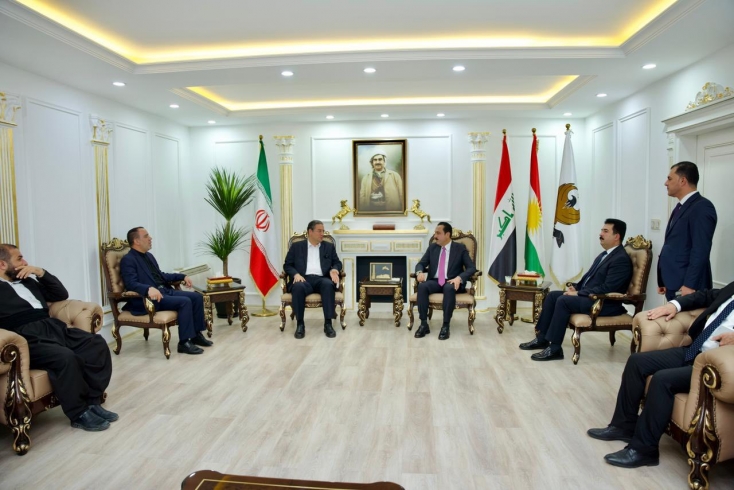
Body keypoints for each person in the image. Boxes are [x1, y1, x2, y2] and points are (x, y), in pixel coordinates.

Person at [588, 281, 734, 468]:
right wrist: (674, 305)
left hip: (715, 366)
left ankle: (644, 450)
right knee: (637, 362)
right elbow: (704, 295)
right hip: (695, 351)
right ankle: (623, 426)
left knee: (662, 379)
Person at [0, 244, 117, 431]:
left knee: (96, 344)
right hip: (25, 336)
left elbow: (60, 294)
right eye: (19, 258)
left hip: (52, 326)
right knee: (65, 357)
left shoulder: (27, 281)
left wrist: (40, 272)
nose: (25, 262)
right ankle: (78, 413)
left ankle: (92, 402)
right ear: (2, 264)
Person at [519, 219, 632, 361]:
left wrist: (578, 293)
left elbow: (608, 288)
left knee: (564, 301)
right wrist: (577, 287)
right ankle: (542, 338)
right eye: (601, 230)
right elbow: (590, 278)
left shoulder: (620, 259)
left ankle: (555, 349)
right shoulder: (605, 255)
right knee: (552, 296)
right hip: (591, 297)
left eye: (605, 231)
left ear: (617, 236)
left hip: (605, 303)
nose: (600, 234)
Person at [120, 227, 211, 355]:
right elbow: (131, 283)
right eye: (146, 236)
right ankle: (184, 343)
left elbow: (161, 276)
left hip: (165, 291)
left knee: (197, 297)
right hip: (150, 299)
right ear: (137, 241)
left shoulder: (149, 256)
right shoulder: (128, 259)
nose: (150, 238)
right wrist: (147, 289)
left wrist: (182, 276)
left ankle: (196, 335)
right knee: (184, 302)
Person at [657, 161, 717, 301]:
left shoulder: (702, 207)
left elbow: (700, 249)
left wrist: (690, 285)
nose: (666, 183)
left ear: (683, 181)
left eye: (669, 178)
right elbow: (674, 245)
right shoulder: (680, 207)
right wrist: (663, 280)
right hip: (673, 281)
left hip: (687, 286)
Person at [414, 222, 477, 340]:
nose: (435, 236)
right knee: (422, 287)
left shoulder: (460, 248)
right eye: (435, 233)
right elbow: (421, 264)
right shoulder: (433, 247)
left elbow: (471, 268)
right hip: (435, 281)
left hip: (453, 281)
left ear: (447, 234)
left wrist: (459, 278)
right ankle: (423, 324)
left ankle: (445, 326)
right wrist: (419, 272)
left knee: (448, 287)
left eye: (438, 233)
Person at [283, 220, 342, 339]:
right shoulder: (297, 247)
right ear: (310, 231)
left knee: (328, 285)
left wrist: (334, 269)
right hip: (303, 279)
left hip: (322, 279)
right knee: (298, 287)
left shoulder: (328, 246)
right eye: (319, 231)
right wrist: (295, 274)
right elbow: (287, 265)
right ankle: (300, 324)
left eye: (323, 231)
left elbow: (337, 262)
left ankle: (328, 324)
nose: (322, 234)